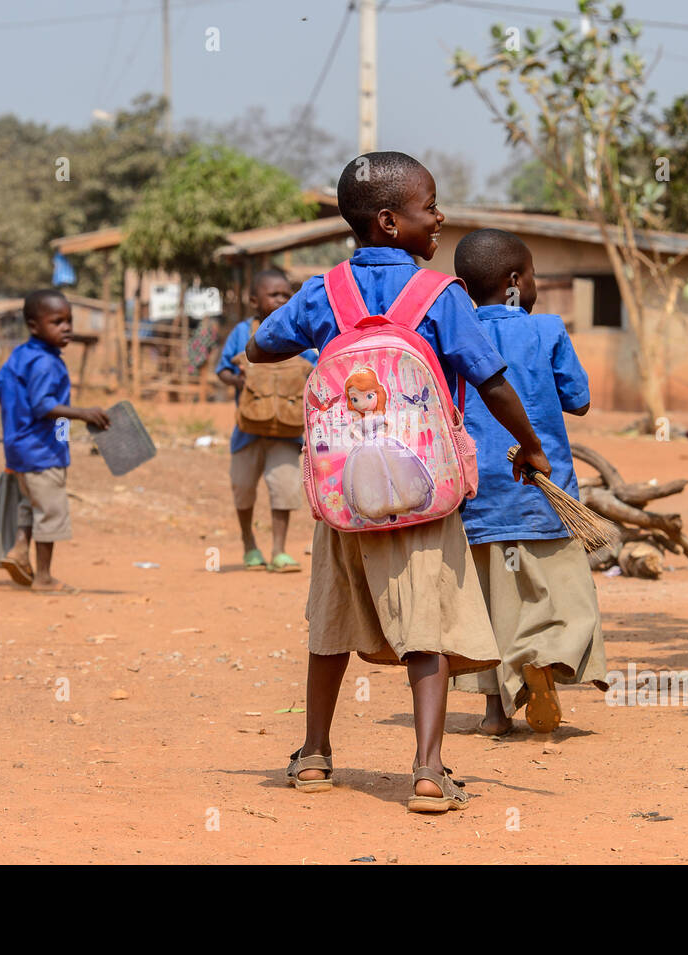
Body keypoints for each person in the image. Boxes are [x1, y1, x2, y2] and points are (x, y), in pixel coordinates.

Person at [246, 152, 550, 812]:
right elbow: (493, 381)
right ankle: (428, 769)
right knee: (427, 629)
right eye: (429, 205)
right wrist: (530, 446)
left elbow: (261, 346)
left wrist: (327, 336)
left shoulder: (323, 291)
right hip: (423, 493)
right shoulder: (441, 296)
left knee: (330, 627)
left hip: (344, 496)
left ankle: (315, 755)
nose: (439, 216)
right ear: (388, 221)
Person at [449, 228, 607, 735]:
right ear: (517, 281)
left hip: (477, 496)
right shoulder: (548, 329)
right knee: (560, 592)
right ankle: (545, 659)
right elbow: (578, 400)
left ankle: (495, 712)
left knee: (493, 601)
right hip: (545, 491)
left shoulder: (453, 334)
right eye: (534, 274)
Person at [0, 289, 109, 592]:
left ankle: (19, 551)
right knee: (51, 510)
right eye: (57, 322)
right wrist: (83, 413)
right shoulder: (46, 363)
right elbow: (43, 406)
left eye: (68, 321)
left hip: (19, 448)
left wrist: (16, 423)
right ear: (34, 326)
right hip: (42, 450)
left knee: (31, 503)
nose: (66, 327)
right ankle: (43, 577)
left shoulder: (20, 356)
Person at [215, 269, 317, 572]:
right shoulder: (240, 333)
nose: (282, 299)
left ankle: (279, 551)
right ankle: (249, 543)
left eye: (287, 295)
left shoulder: (298, 336)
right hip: (247, 430)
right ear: (253, 300)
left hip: (287, 432)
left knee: (284, 489)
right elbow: (222, 369)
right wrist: (243, 384)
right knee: (243, 487)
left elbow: (314, 369)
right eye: (274, 294)